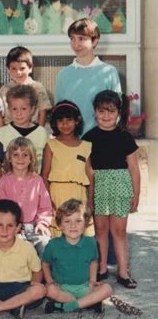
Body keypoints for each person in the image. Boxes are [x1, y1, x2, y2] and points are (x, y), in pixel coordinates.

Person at [83, 90, 140, 289]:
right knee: (100, 229)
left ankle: (123, 272)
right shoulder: (89, 137)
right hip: (99, 187)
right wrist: (88, 196)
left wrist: (136, 195)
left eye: (111, 111)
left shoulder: (125, 137)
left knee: (119, 230)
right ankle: (101, 269)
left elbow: (134, 168)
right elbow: (87, 169)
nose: (106, 116)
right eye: (101, 111)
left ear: (118, 113)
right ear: (95, 112)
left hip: (120, 187)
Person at [42, 199, 113, 314]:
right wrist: (50, 281)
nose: (73, 225)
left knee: (107, 289)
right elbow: (45, 263)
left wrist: (92, 281)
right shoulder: (53, 245)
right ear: (60, 225)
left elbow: (93, 262)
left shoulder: (91, 243)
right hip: (62, 288)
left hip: (85, 287)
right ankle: (87, 303)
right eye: (67, 221)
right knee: (49, 291)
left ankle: (68, 306)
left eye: (78, 221)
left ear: (85, 224)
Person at [55, 18, 121, 136]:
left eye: (81, 38)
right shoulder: (63, 75)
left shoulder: (109, 72)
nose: (76, 44)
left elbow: (116, 110)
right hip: (73, 142)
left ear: (94, 41)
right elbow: (59, 112)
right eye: (72, 39)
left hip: (102, 141)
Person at [41, 101, 93, 237]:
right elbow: (44, 175)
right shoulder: (51, 145)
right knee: (60, 233)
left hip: (79, 195)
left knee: (78, 232)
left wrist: (90, 202)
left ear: (77, 121)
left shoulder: (86, 146)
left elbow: (90, 176)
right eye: (60, 120)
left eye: (69, 120)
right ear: (55, 123)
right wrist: (47, 202)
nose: (65, 124)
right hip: (57, 196)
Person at [0, 137, 52, 256]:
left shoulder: (37, 181)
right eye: (16, 155)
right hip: (12, 228)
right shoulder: (3, 182)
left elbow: (45, 207)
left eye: (25, 155)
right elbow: (3, 210)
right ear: (9, 158)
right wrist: (13, 227)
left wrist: (42, 223)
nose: (20, 159)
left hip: (34, 226)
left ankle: (43, 274)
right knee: (19, 250)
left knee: (46, 244)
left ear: (31, 158)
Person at [0, 85, 48, 173]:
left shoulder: (42, 133)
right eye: (14, 109)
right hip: (8, 186)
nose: (18, 113)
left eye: (23, 109)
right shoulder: (0, 135)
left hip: (34, 185)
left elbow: (46, 165)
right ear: (9, 109)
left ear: (32, 109)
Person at [0, 46, 52, 126]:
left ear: (30, 68)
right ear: (8, 69)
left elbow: (42, 112)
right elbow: (0, 115)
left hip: (32, 128)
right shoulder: (4, 89)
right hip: (9, 129)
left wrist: (39, 131)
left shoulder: (37, 87)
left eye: (22, 68)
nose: (18, 72)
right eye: (14, 69)